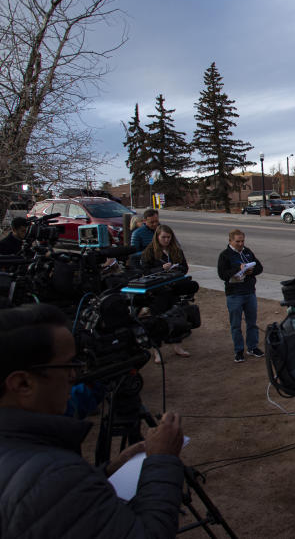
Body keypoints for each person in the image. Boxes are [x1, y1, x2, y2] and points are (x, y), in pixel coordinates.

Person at [0, 303, 185, 538]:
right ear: (22, 384)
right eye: (68, 365)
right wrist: (162, 460)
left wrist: (105, 472)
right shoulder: (56, 477)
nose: (75, 375)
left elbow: (54, 506)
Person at [141, 224, 196, 361]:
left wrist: (177, 269)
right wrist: (161, 269)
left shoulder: (175, 250)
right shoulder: (150, 252)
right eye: (163, 237)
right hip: (158, 292)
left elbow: (184, 267)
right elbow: (145, 272)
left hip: (174, 289)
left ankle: (177, 345)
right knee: (156, 320)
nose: (166, 240)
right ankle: (157, 351)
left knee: (177, 318)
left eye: (169, 237)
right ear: (157, 237)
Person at [216, 229, 264, 363]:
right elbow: (222, 275)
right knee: (236, 324)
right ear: (230, 241)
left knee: (252, 322)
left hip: (249, 292)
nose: (240, 244)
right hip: (234, 295)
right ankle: (238, 350)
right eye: (237, 241)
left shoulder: (247, 252)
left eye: (242, 241)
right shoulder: (225, 255)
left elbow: (260, 267)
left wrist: (251, 270)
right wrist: (238, 268)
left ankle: (252, 347)